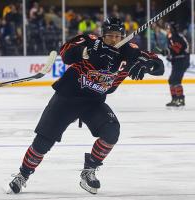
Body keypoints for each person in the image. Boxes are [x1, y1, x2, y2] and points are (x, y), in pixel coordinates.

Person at [8, 17, 164, 195]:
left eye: (118, 36)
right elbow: (65, 54)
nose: (114, 39)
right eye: (110, 36)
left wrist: (149, 64)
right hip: (67, 98)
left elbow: (160, 67)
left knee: (112, 131)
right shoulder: (91, 41)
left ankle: (89, 170)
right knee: (42, 142)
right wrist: (85, 52)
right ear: (102, 35)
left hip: (94, 102)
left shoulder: (131, 51)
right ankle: (22, 175)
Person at [162, 22, 190, 107]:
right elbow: (174, 51)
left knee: (176, 80)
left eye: (168, 28)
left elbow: (177, 50)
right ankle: (175, 99)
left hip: (182, 60)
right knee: (171, 80)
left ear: (172, 29)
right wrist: (168, 53)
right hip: (179, 60)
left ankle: (180, 99)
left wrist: (167, 52)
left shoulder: (176, 37)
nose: (167, 30)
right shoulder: (172, 37)